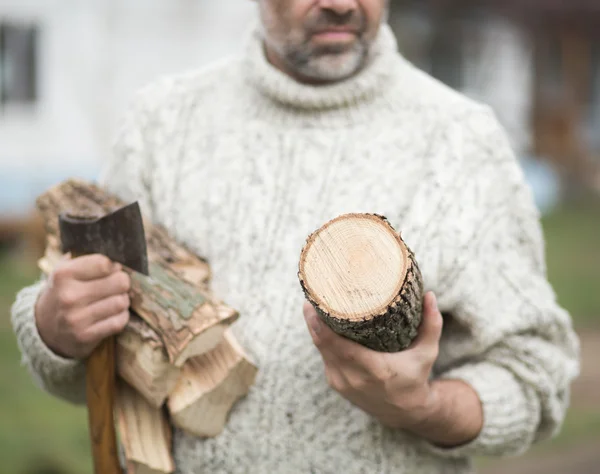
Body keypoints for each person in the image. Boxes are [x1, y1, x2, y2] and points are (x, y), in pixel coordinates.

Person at [12, 1, 580, 473]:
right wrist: (56, 329)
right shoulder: (164, 124)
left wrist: (427, 408)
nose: (339, 2)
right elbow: (111, 360)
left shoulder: (462, 141)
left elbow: (535, 374)